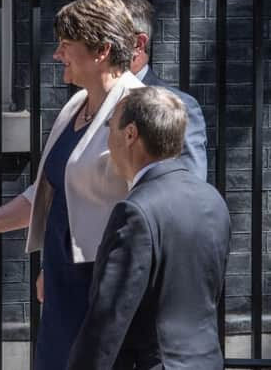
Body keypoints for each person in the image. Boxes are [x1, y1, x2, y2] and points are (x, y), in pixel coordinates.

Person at [0, 0, 182, 369]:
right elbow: (46, 194)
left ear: (102, 50)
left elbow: (159, 203)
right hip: (63, 281)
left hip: (103, 286)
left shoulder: (140, 108)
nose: (57, 54)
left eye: (65, 44)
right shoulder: (75, 104)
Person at [67, 87, 230, 370]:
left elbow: (109, 317)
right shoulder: (212, 199)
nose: (109, 138)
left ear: (130, 134)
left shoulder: (135, 211)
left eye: (110, 127)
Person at [118, 0, 208, 180]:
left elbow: (191, 184)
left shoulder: (179, 105)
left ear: (138, 44)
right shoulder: (85, 103)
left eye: (108, 38)